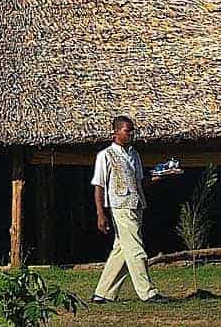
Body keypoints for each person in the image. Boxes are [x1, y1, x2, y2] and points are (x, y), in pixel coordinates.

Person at [91, 115, 173, 303]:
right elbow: (99, 186)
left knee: (121, 249)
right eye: (127, 131)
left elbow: (141, 182)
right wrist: (100, 214)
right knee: (136, 249)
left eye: (132, 130)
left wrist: (161, 175)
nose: (131, 134)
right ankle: (148, 292)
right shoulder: (105, 155)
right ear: (116, 132)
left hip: (137, 204)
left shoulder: (134, 154)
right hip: (119, 206)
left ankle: (102, 293)